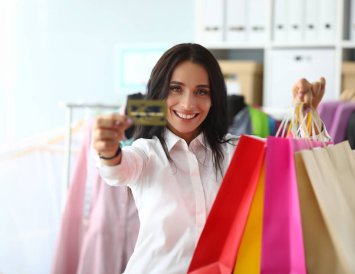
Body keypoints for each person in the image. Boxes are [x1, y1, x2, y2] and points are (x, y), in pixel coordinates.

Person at [92, 43, 326, 273]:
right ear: (159, 93)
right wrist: (109, 151)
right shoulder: (146, 152)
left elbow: (301, 162)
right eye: (176, 88)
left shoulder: (236, 150)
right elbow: (117, 170)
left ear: (214, 98)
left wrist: (307, 114)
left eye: (201, 92)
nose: (188, 103)